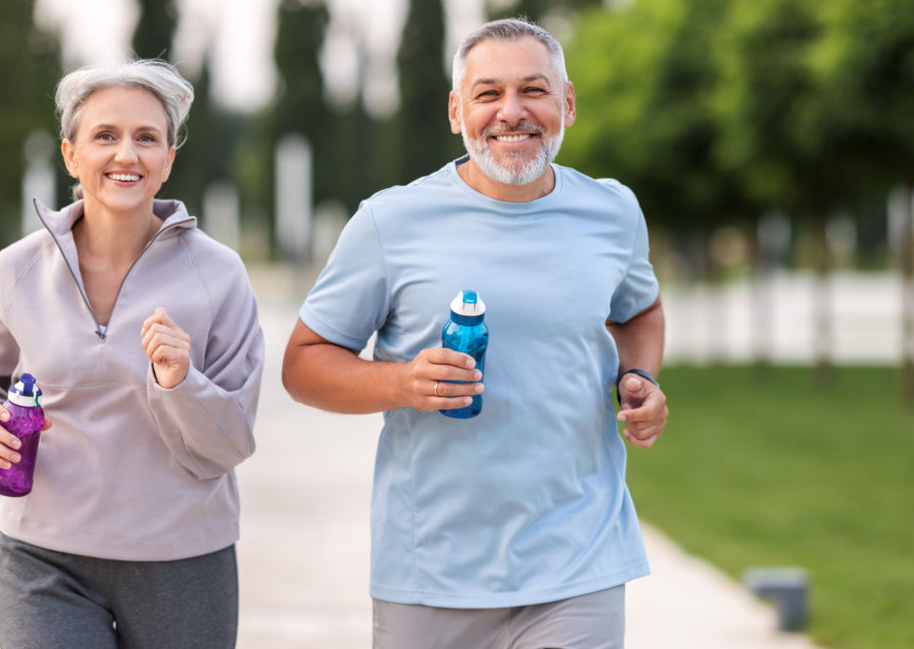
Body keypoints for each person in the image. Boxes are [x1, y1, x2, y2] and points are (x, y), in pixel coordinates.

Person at [282, 17, 668, 649]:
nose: (511, 113)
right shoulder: (390, 221)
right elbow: (303, 365)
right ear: (456, 111)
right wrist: (403, 382)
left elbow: (639, 310)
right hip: (432, 571)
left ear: (567, 103)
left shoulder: (613, 211)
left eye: (533, 91)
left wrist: (640, 376)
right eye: (488, 94)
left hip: (580, 558)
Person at [0, 60, 263, 648]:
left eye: (146, 138)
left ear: (168, 159)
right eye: (105, 136)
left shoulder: (219, 275)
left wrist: (181, 382)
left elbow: (232, 442)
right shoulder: (16, 271)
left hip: (184, 557)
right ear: (70, 155)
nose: (126, 155)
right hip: (43, 560)